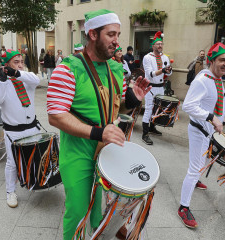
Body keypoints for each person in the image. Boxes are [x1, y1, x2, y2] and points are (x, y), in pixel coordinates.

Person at [47, 9, 151, 240]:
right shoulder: (67, 68)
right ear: (92, 34)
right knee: (77, 211)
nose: (117, 41)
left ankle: (94, 234)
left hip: (104, 150)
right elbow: (55, 116)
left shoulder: (115, 68)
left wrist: (133, 99)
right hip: (77, 153)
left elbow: (116, 106)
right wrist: (98, 132)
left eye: (118, 34)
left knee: (97, 206)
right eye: (111, 34)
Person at [178, 42, 225, 228]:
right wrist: (211, 118)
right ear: (211, 61)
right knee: (194, 168)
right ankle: (183, 207)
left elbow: (216, 103)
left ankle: (196, 179)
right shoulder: (202, 80)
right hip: (199, 131)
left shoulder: (216, 79)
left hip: (209, 130)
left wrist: (220, 121)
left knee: (200, 164)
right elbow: (188, 106)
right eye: (222, 60)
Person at [0, 49, 40, 208]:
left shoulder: (26, 77)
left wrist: (17, 74)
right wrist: (4, 81)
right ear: (7, 65)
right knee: (12, 162)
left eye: (21, 62)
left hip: (32, 128)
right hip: (13, 131)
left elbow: (37, 80)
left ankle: (33, 180)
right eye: (15, 62)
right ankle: (10, 192)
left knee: (33, 157)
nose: (20, 65)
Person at [141, 31, 172, 145]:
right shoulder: (147, 57)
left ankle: (152, 127)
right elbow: (150, 74)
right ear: (153, 46)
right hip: (150, 87)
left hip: (161, 87)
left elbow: (169, 74)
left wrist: (168, 70)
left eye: (161, 44)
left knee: (157, 109)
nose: (160, 46)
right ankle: (145, 134)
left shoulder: (165, 57)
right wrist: (163, 70)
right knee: (149, 109)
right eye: (158, 44)